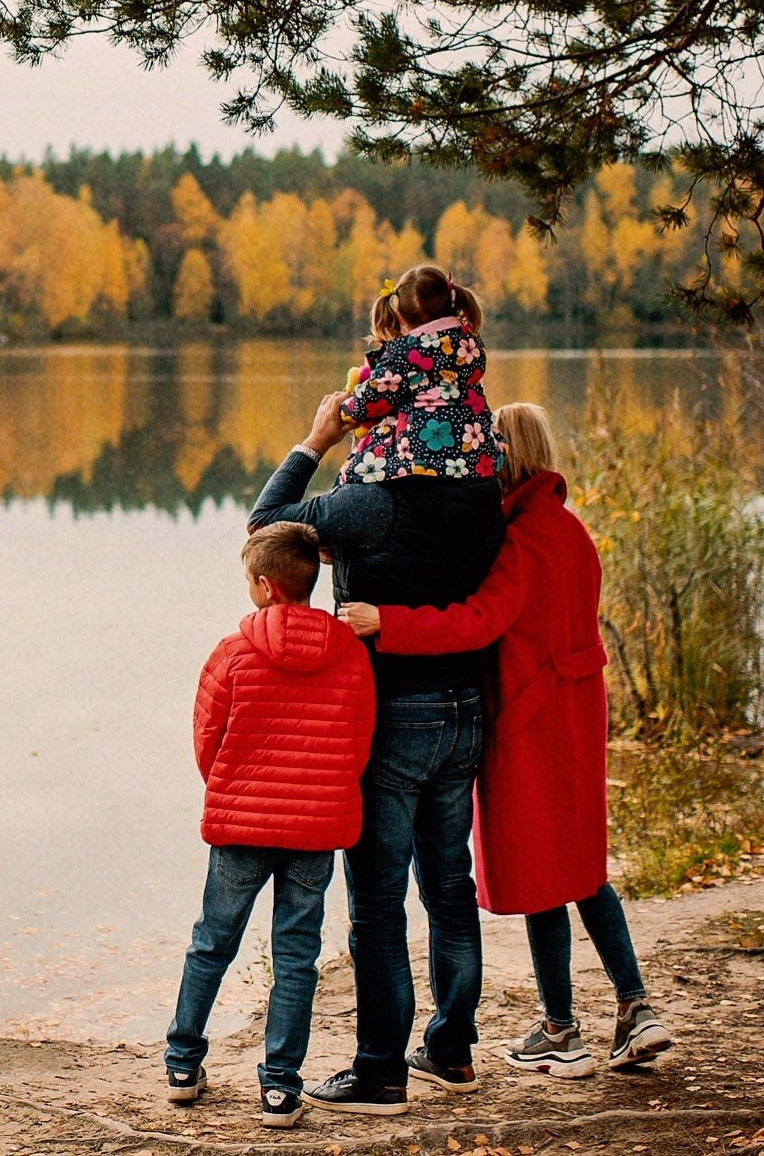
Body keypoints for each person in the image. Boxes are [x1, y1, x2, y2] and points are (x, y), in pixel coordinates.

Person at [341, 402, 673, 1076]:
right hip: (580, 715)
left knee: (541, 873)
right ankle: (636, 1006)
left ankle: (560, 1030)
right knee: (582, 868)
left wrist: (388, 623)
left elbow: (477, 621)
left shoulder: (520, 542)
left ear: (505, 459)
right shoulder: (572, 530)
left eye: (486, 453)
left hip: (530, 719)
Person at [247, 264, 508, 1116]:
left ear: (385, 399)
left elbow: (265, 532)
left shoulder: (368, 497)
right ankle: (454, 1051)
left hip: (394, 713)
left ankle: (380, 1072)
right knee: (449, 887)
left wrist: (314, 441)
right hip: (466, 709)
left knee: (378, 906)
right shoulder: (481, 480)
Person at [166, 520, 377, 1128]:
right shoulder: (351, 655)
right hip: (314, 831)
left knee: (212, 943)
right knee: (296, 957)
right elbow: (358, 744)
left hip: (241, 826)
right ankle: (281, 1088)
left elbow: (207, 737)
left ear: (263, 586)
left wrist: (233, 789)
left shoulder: (233, 652)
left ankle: (183, 1064)